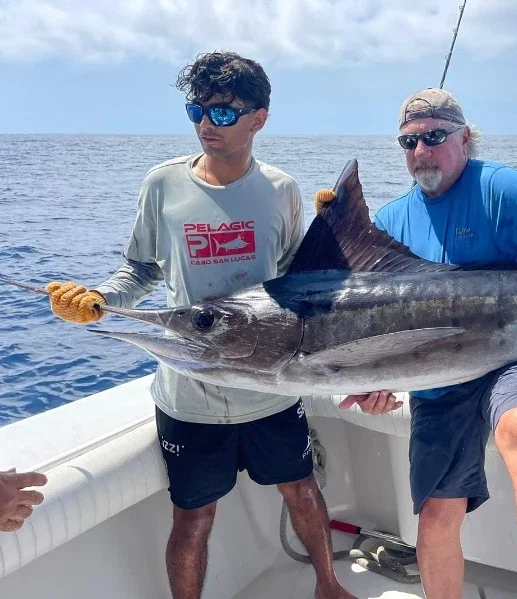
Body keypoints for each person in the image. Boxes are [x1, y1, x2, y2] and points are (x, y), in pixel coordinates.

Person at [44, 52, 355, 599]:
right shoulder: (162, 184)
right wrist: (99, 299)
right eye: (197, 111)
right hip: (190, 393)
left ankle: (329, 587)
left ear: (259, 118)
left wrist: (329, 240)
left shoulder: (281, 189)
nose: (206, 124)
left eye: (223, 113)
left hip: (270, 386)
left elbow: (298, 284)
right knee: (193, 518)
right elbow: (140, 270)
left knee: (302, 490)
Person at [335, 88, 517, 599]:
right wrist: (373, 382)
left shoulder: (499, 187)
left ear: (465, 138)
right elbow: (373, 324)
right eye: (408, 142)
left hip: (512, 354)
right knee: (435, 515)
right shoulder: (390, 223)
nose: (420, 151)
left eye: (434, 137)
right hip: (437, 381)